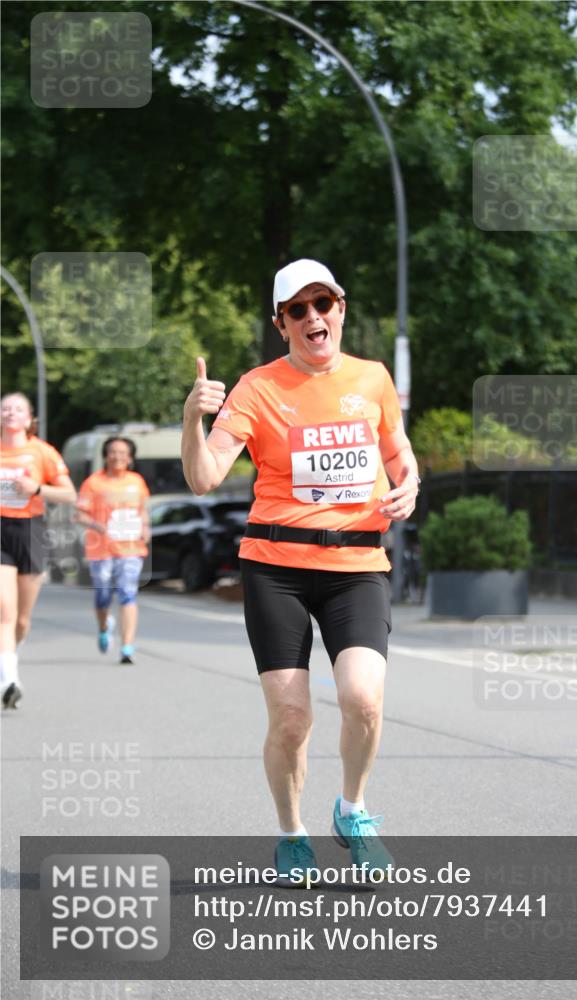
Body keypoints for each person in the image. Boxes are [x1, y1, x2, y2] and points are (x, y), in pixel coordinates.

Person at [182, 259, 420, 883]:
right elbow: (205, 478)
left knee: (363, 699)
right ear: (281, 323)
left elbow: (397, 450)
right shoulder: (256, 388)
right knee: (291, 718)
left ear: (341, 308)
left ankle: (353, 808)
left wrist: (411, 485)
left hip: (356, 564)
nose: (314, 317)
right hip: (276, 567)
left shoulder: (372, 379)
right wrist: (191, 420)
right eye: (298, 309)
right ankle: (291, 834)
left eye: (324, 303)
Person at [0, 392, 76, 708]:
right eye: (4, 408)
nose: (10, 413)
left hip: (31, 529)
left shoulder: (42, 452)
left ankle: (9, 657)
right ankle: (10, 680)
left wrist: (37, 489)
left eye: (18, 408)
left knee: (21, 621)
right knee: (4, 611)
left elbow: (69, 495)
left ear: (30, 417)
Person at [76, 437, 151, 665]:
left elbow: (144, 511)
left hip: (131, 548)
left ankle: (127, 647)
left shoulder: (137, 481)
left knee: (128, 594)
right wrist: (97, 526)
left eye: (123, 453)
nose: (118, 456)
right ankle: (104, 625)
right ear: (106, 456)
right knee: (103, 597)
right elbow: (79, 514)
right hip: (102, 550)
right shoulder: (93, 483)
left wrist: (146, 528)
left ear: (130, 458)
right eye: (113, 452)